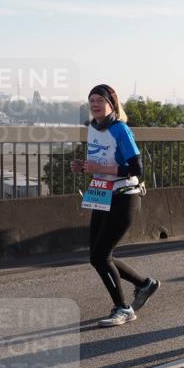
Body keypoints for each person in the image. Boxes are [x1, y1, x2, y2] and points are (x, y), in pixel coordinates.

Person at [72, 84, 160, 328]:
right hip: (101, 192)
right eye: (91, 99)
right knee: (98, 256)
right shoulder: (92, 128)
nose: (94, 103)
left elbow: (136, 168)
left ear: (112, 103)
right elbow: (99, 161)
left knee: (100, 256)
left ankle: (123, 308)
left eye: (100, 99)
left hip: (124, 195)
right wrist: (83, 166)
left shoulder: (119, 128)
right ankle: (144, 284)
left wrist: (98, 169)